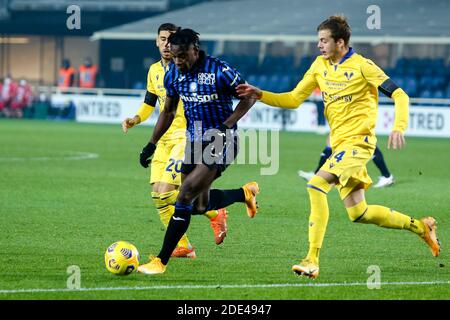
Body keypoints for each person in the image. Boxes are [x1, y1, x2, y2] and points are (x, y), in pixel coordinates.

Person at [237, 15, 440, 279]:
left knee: (316, 185)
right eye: (318, 40)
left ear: (340, 42)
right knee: (360, 213)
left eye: (324, 40)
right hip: (340, 146)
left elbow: (400, 94)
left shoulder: (363, 66)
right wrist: (260, 93)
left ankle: (311, 259)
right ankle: (422, 227)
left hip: (359, 144)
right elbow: (293, 98)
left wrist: (399, 126)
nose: (319, 45)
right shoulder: (319, 66)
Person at [137, 28, 259, 275]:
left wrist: (226, 126)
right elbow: (169, 111)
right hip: (194, 143)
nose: (178, 61)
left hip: (221, 141)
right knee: (198, 206)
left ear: (195, 49)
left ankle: (160, 261)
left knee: (183, 196)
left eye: (182, 56)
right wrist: (151, 143)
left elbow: (251, 97)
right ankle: (244, 193)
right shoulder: (172, 73)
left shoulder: (219, 70)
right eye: (174, 56)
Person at [122, 23, 229, 259]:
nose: (167, 44)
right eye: (162, 39)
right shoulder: (154, 71)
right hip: (165, 139)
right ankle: (184, 246)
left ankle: (216, 210)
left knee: (172, 191)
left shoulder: (187, 69)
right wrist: (136, 119)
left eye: (171, 40)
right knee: (158, 195)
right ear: (157, 42)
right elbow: (152, 103)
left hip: (185, 135)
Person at [298, 134, 395, 188]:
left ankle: (387, 176)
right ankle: (316, 174)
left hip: (359, 116)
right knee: (331, 140)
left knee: (368, 144)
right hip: (350, 114)